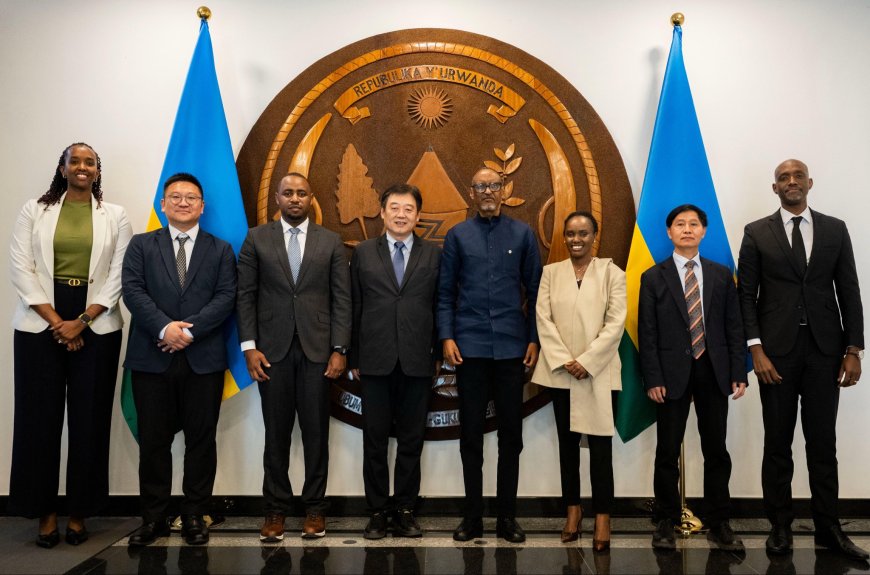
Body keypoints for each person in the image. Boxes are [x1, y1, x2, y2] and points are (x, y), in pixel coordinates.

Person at [737, 159, 866, 559]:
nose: (791, 182)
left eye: (797, 176)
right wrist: (755, 349)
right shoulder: (756, 232)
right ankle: (780, 527)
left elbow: (849, 290)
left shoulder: (834, 229)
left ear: (810, 183)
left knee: (823, 443)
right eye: (783, 178)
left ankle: (829, 529)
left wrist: (853, 350)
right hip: (775, 354)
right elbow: (746, 296)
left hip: (826, 353)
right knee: (777, 443)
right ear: (774, 188)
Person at [9, 142, 132, 548]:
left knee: (89, 420)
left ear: (97, 170)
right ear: (62, 169)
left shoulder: (115, 215)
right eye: (74, 161)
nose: (82, 167)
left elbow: (119, 274)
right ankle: (44, 512)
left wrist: (81, 321)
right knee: (38, 421)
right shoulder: (34, 210)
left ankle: (79, 512)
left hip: (96, 324)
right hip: (39, 324)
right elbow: (21, 267)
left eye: (89, 162)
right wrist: (58, 322)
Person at [122, 173, 237, 546]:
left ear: (202, 206)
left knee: (201, 440)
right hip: (151, 357)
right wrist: (164, 328)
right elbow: (133, 290)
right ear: (163, 205)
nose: (183, 202)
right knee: (153, 441)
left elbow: (226, 296)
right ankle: (153, 518)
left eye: (191, 197)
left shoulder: (221, 250)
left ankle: (194, 515)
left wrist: (188, 332)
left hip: (203, 359)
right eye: (175, 196)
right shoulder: (141, 245)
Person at [237, 172, 351, 541]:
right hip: (271, 351)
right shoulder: (257, 238)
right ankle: (275, 511)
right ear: (277, 198)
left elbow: (342, 298)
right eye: (288, 193)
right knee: (276, 434)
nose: (295, 198)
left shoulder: (330, 241)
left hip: (319, 351)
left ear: (311, 197)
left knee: (317, 433)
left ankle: (315, 509)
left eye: (302, 193)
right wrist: (249, 347)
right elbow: (245, 295)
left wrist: (340, 349)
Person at [437, 167, 542, 543]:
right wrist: (447, 336)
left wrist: (534, 339)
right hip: (469, 350)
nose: (487, 191)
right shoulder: (458, 236)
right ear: (471, 192)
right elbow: (445, 292)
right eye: (480, 185)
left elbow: (536, 291)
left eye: (494, 185)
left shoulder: (523, 234)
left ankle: (507, 518)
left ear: (503, 190)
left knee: (511, 435)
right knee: (471, 436)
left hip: (513, 349)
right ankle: (472, 518)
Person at [639, 204, 747, 552]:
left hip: (713, 371)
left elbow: (734, 326)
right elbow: (647, 332)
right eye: (680, 224)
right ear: (669, 232)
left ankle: (719, 521)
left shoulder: (721, 275)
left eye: (694, 224)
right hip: (670, 375)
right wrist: (652, 377)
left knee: (716, 450)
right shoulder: (653, 277)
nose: (687, 229)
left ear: (704, 231)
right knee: (667, 451)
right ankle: (666, 521)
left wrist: (738, 371)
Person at [349, 184, 441, 540]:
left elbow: (439, 304)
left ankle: (404, 510)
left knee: (411, 440)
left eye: (408, 209)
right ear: (382, 212)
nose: (401, 214)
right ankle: (376, 511)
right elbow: (355, 305)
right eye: (395, 208)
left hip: (418, 359)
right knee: (374, 440)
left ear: (418, 216)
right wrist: (353, 355)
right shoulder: (363, 253)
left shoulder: (433, 255)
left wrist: (436, 352)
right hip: (374, 360)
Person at [532, 211, 625, 550]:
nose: (576, 239)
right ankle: (573, 511)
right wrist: (565, 360)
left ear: (594, 236)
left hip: (599, 373)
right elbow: (543, 319)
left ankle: (603, 516)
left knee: (601, 450)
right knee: (568, 448)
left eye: (583, 233)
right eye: (570, 233)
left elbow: (615, 324)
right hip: (562, 373)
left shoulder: (612, 273)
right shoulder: (550, 273)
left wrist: (587, 361)